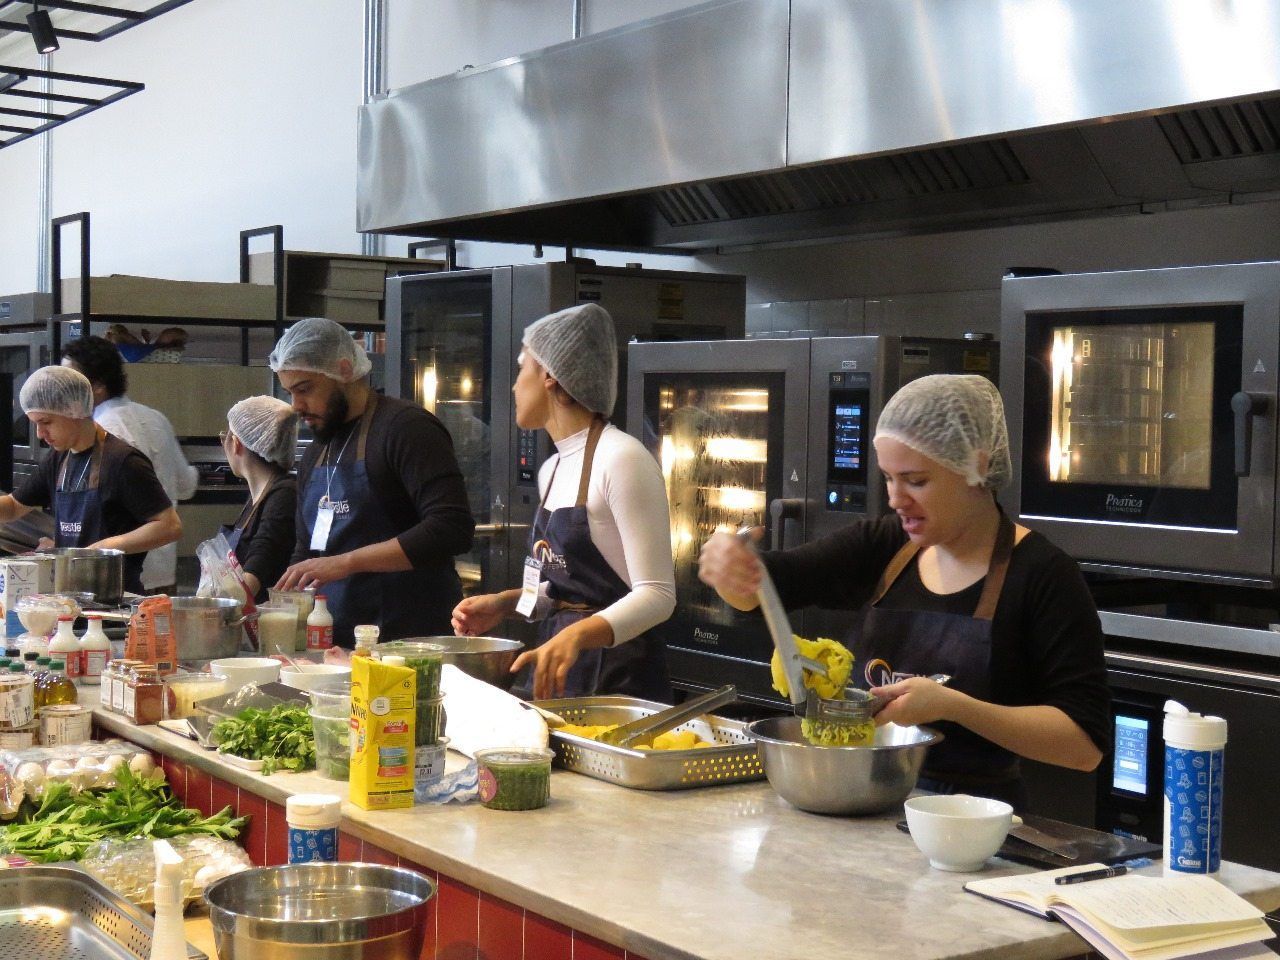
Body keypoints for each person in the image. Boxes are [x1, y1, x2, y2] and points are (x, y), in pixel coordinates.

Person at [696, 374, 1110, 809]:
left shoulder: (1043, 575)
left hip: (976, 827)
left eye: (916, 481)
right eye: (889, 479)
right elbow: (765, 589)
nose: (896, 499)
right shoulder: (882, 546)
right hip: (864, 803)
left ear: (978, 467)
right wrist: (732, 570)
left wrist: (955, 707)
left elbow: (1083, 746)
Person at [451, 303, 676, 701]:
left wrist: (577, 635)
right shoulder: (551, 468)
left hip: (619, 685)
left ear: (552, 376)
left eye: (523, 368)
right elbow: (560, 592)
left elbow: (657, 595)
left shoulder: (623, 459)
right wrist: (505, 604)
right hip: (560, 673)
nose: (515, 386)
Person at [270, 317, 474, 646]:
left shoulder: (405, 428)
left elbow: (451, 528)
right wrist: (282, 610)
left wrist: (346, 562)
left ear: (345, 370)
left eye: (304, 389)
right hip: (335, 643)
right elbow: (306, 549)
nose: (296, 406)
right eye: (290, 393)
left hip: (409, 642)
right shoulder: (317, 452)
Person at [0, 366, 181, 594]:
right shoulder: (59, 459)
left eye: (46, 422)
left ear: (74, 411)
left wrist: (102, 548)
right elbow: (15, 506)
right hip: (69, 594)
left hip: (113, 598)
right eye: (35, 423)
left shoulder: (123, 462)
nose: (39, 433)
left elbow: (169, 526)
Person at [62, 335, 198, 593]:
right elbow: (186, 485)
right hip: (163, 572)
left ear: (98, 386)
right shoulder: (155, 418)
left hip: (120, 577)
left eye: (70, 381)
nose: (60, 389)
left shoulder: (103, 433)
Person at [220, 396, 299, 603]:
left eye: (224, 437)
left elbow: (260, 562)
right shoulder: (258, 496)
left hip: (271, 623)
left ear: (237, 444)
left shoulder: (284, 494)